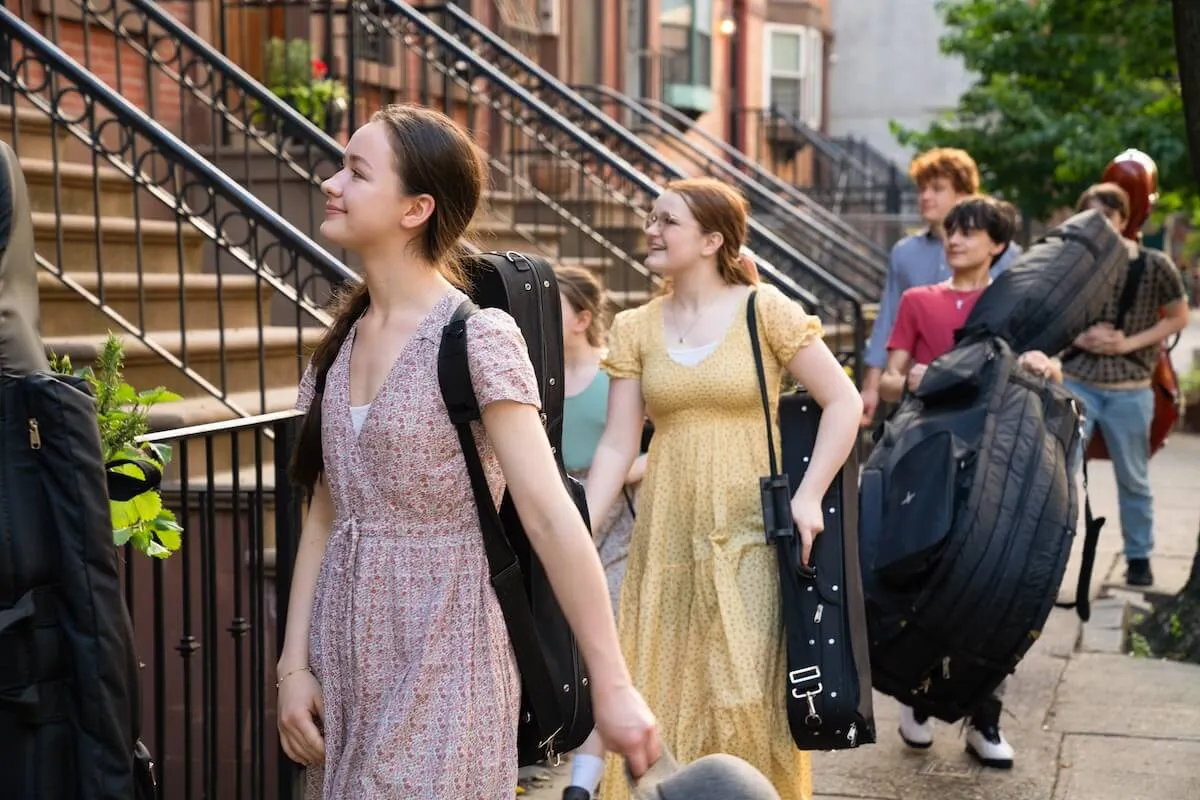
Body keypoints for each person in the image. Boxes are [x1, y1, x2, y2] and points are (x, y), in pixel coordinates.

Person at [274, 104, 660, 799]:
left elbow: (548, 516)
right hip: (344, 654)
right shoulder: (336, 346)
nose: (331, 183)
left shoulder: (478, 339)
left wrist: (614, 684)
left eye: (357, 172)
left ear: (415, 208)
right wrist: (292, 667)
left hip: (448, 648)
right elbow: (323, 520)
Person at [583, 177, 863, 800]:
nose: (651, 230)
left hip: (752, 530)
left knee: (744, 692)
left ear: (713, 239)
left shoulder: (765, 311)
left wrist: (810, 494)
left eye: (668, 222)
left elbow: (845, 401)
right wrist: (582, 525)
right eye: (651, 218)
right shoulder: (635, 326)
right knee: (661, 683)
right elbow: (616, 444)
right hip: (667, 537)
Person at [881, 195, 1062, 769]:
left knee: (997, 591)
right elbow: (887, 381)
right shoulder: (918, 300)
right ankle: (917, 697)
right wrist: (904, 378)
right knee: (923, 576)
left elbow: (1050, 372)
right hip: (928, 458)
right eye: (951, 231)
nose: (955, 240)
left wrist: (1046, 367)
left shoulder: (1013, 304)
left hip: (999, 466)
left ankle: (985, 719)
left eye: (970, 232)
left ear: (998, 244)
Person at [1062, 181, 1189, 587]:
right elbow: (1051, 313)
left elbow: (1177, 316)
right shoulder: (1073, 264)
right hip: (1077, 382)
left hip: (1131, 386)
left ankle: (1139, 557)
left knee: (1133, 477)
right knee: (1059, 475)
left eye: (1107, 218)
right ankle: (1048, 556)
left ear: (1124, 219)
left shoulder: (1155, 265)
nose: (1099, 227)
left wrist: (1126, 343)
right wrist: (1080, 337)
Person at [557, 265, 647, 800]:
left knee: (601, 648)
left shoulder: (617, 373)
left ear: (583, 319)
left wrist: (614, 477)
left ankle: (582, 784)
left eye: (554, 307)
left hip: (614, 523)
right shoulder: (534, 373)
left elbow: (659, 444)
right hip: (552, 512)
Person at [861, 148, 1022, 423]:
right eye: (922, 189)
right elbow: (887, 320)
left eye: (937, 189)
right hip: (921, 401)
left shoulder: (1007, 255)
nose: (925, 196)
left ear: (963, 193)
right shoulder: (904, 252)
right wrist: (871, 387)